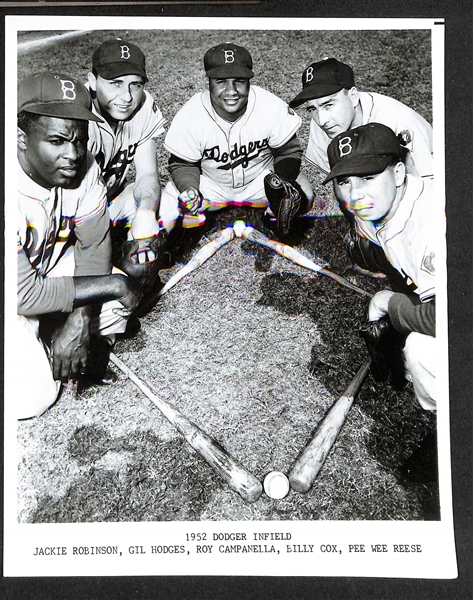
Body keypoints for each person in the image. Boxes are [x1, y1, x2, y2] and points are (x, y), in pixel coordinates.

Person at [15, 71, 141, 419]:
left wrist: (81, 320)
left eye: (79, 140)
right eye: (56, 141)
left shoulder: (83, 168)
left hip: (46, 267)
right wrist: (113, 283)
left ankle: (57, 331)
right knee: (33, 396)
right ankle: (38, 338)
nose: (72, 154)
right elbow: (22, 295)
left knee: (115, 307)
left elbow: (95, 246)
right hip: (2, 295)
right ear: (21, 137)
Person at [325, 123, 438, 410]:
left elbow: (448, 318)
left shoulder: (429, 227)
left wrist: (389, 304)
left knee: (421, 352)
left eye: (367, 178)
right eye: (344, 182)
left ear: (398, 173)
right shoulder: (381, 205)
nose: (354, 195)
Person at [289, 57, 435, 278]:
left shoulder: (396, 122)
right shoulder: (323, 125)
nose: (321, 118)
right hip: (388, 190)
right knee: (365, 248)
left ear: (353, 95)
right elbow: (341, 180)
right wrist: (362, 230)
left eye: (329, 104)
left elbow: (427, 192)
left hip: (434, 187)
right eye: (313, 108)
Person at [159, 43, 309, 235]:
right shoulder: (191, 113)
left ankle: (273, 214)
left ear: (249, 81)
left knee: (306, 195)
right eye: (221, 81)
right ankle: (169, 243)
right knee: (170, 201)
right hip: (211, 187)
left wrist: (281, 184)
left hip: (260, 182)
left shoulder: (268, 105)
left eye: (239, 81)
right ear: (209, 81)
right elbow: (181, 163)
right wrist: (190, 189)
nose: (231, 90)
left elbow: (289, 151)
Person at [86, 39, 168, 293]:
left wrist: (145, 212)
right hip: (69, 215)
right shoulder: (77, 116)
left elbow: (146, 174)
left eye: (136, 84)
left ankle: (134, 258)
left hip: (105, 202)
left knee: (165, 205)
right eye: (115, 84)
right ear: (92, 81)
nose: (127, 97)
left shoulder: (141, 105)